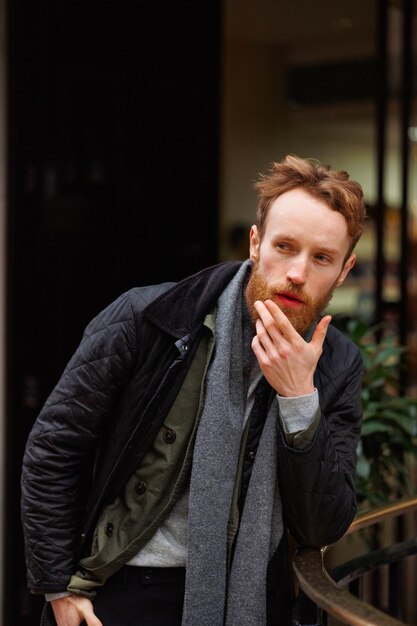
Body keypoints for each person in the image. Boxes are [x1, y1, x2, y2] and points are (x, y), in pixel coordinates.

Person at [21, 154, 367, 626]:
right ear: (255, 242)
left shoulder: (338, 365)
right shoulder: (151, 318)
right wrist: (56, 587)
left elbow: (323, 524)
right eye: (285, 246)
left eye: (322, 257)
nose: (298, 273)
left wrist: (298, 398)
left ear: (344, 271)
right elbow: (55, 447)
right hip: (125, 588)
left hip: (252, 600)